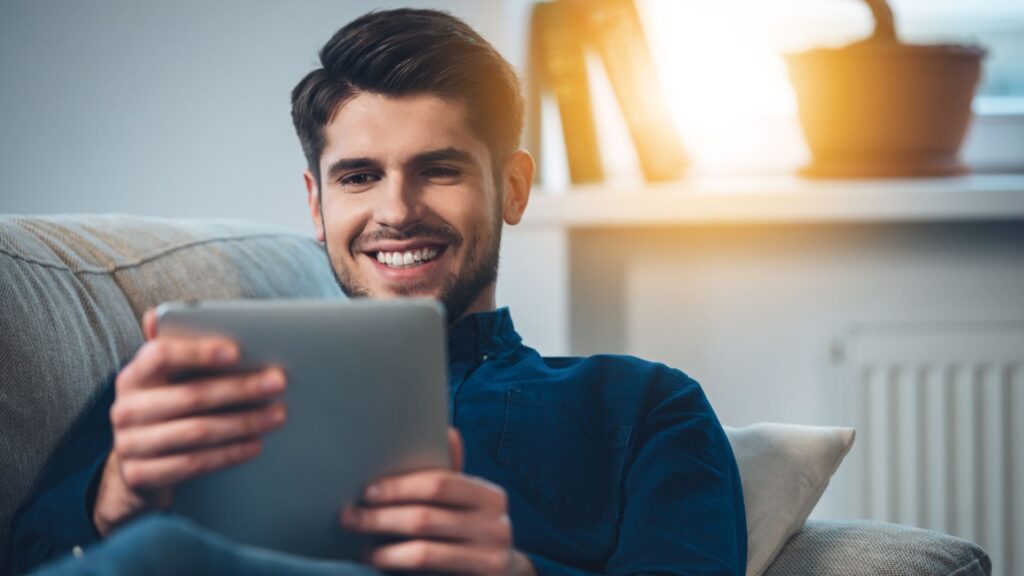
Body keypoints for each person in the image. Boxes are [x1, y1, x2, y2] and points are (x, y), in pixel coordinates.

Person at [6, 8, 746, 576]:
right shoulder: (184, 382)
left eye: (440, 169)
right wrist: (109, 501)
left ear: (512, 188)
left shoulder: (646, 407)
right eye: (359, 177)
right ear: (316, 204)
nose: (396, 210)